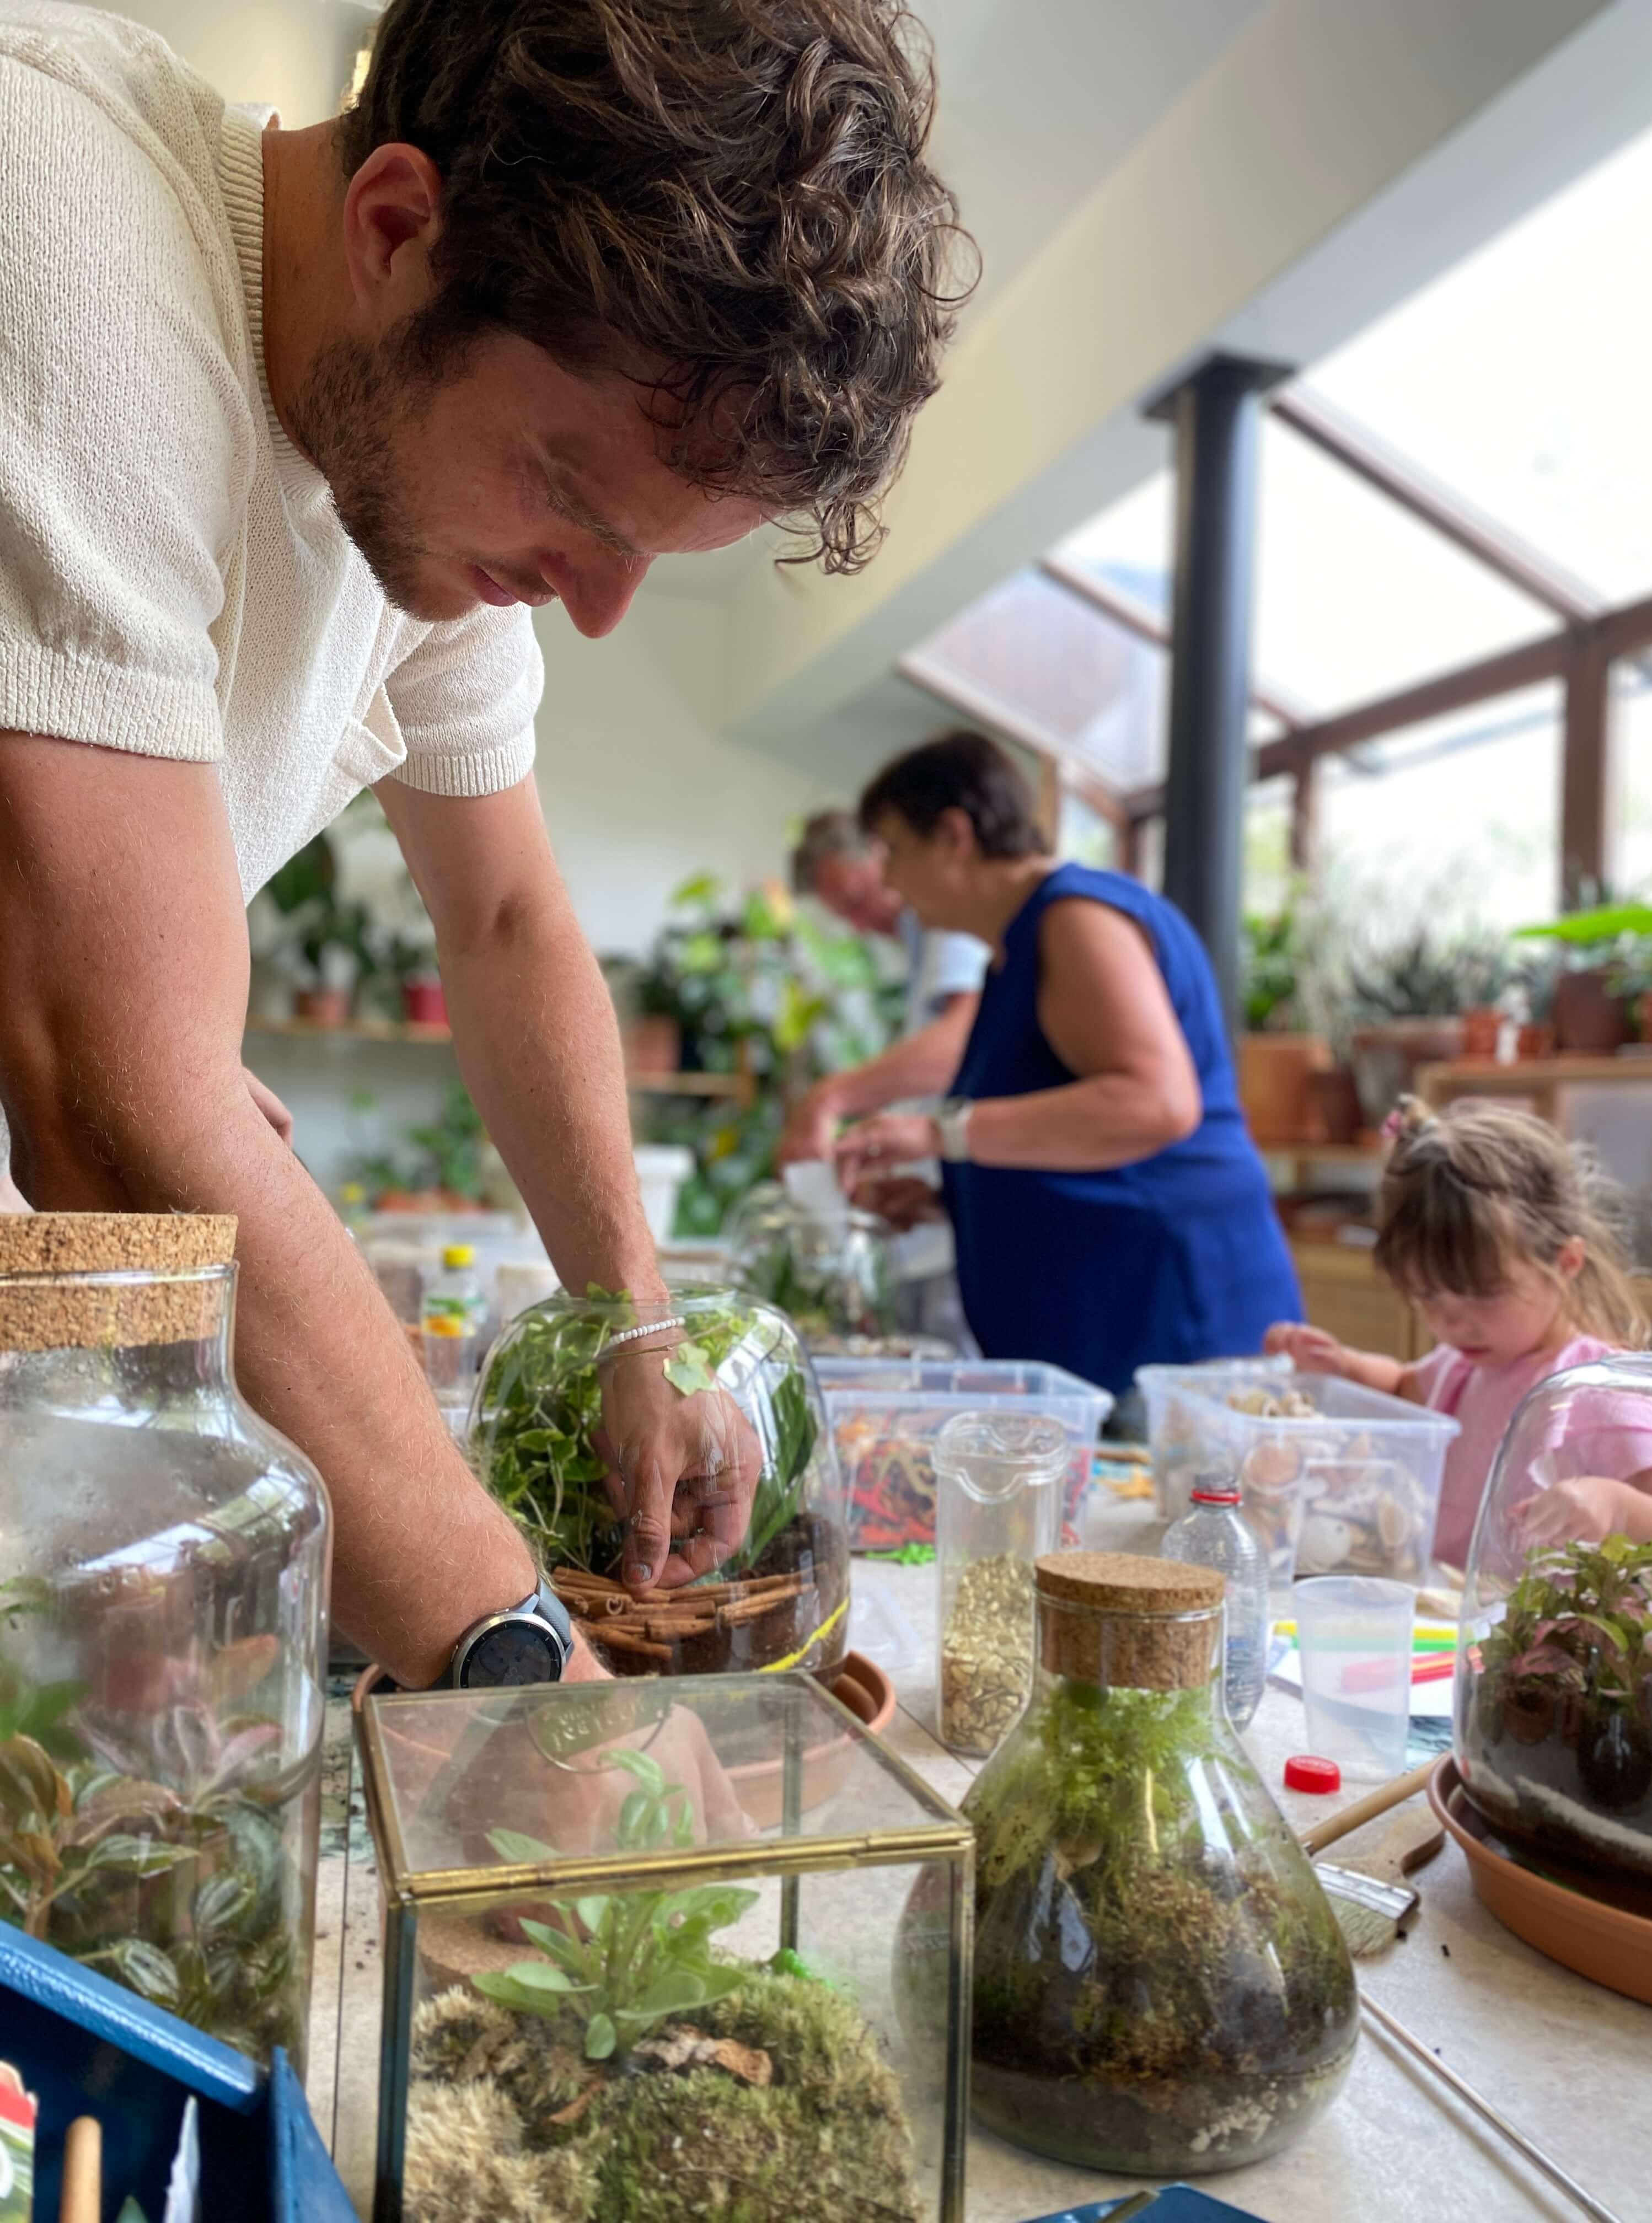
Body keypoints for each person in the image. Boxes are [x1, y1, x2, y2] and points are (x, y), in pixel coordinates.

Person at [0, 0, 965, 1689]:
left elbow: (508, 918)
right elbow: (113, 1107)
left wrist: (638, 1325)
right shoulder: (66, 230)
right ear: (395, 228)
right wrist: (530, 1681)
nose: (594, 612)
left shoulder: (418, 502)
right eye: (577, 507)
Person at [831, 731, 1301, 1396]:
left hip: (1174, 1330)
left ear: (953, 835)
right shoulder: (1013, 952)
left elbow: (1157, 1104)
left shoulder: (1076, 917)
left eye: (893, 851)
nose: (888, 881)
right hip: (1111, 1336)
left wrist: (940, 1133)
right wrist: (953, 1199)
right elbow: (1071, 1136)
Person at [1266, 1096, 1652, 1567]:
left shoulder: (1595, 1392)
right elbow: (1401, 1386)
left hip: (1546, 1617)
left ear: (1565, 1263)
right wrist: (1342, 1367)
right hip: (1447, 1604)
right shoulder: (1464, 1367)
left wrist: (1617, 1508)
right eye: (1428, 1295)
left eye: (1483, 1294)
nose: (1452, 1322)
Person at [778, 808, 986, 1166]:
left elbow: (961, 1041)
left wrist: (831, 1097)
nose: (862, 926)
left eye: (857, 900)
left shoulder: (949, 919)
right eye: (846, 916)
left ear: (882, 854)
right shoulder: (919, 943)